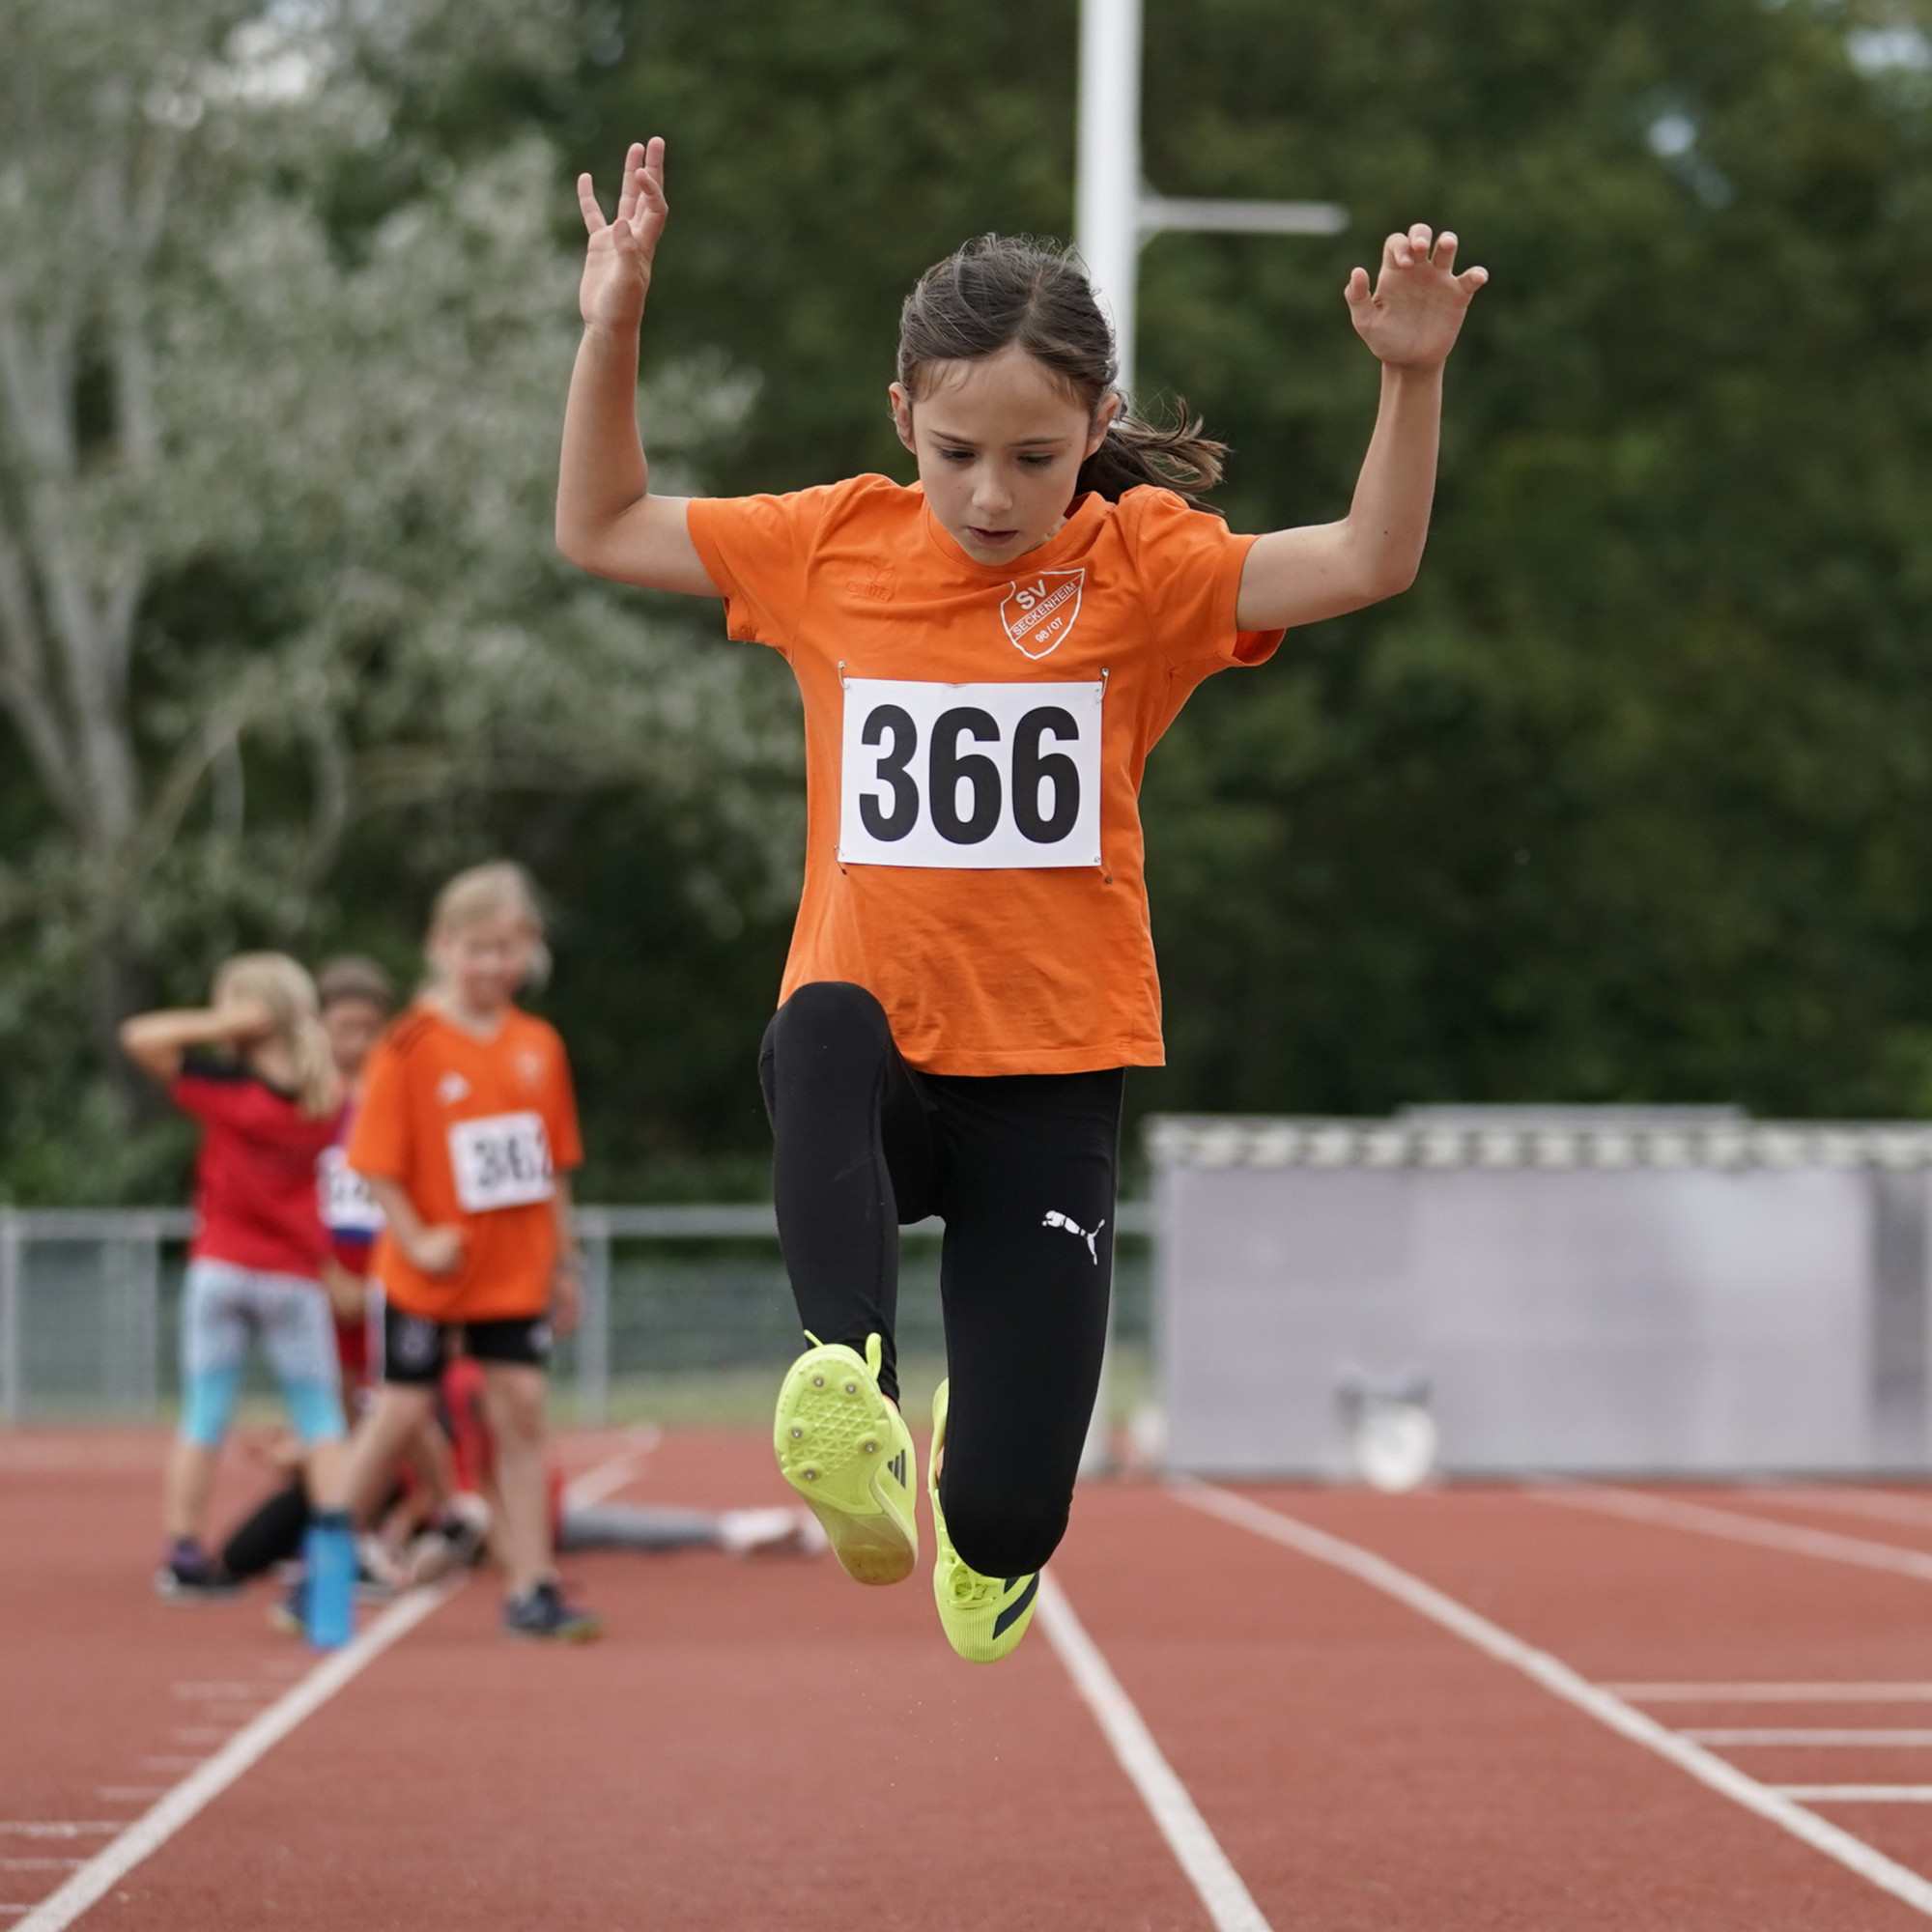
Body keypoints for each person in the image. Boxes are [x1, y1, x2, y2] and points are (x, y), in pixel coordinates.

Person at [555, 138, 1486, 1662]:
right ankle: (843, 1380)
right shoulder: (832, 545)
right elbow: (599, 526)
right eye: (956, 454)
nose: (992, 495)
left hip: (1048, 1085)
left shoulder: (1146, 570)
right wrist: (615, 320)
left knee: (1001, 1525)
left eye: (1036, 461)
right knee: (820, 1027)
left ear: (1099, 427)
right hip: (879, 1073)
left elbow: (1370, 561)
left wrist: (1411, 377)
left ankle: (981, 1515)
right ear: (903, 417)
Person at [339, 862, 601, 1642]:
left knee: (520, 1411)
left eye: (508, 949)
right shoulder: (408, 1043)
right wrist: (417, 1234)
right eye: (476, 948)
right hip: (428, 1273)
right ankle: (326, 1551)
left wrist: (565, 1262)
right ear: (442, 946)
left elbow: (553, 1165)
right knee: (402, 1411)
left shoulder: (538, 1045)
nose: (492, 966)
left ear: (530, 951)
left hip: (514, 1270)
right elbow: (374, 1161)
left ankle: (532, 1584)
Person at [120, 955, 352, 1598]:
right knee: (320, 1418)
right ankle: (336, 1546)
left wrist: (227, 1020)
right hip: (291, 1277)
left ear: (252, 1015)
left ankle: (185, 1556)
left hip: (221, 1269)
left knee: (204, 1415)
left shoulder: (228, 1087)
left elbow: (140, 1035)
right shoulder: (325, 1096)